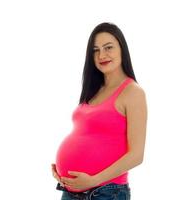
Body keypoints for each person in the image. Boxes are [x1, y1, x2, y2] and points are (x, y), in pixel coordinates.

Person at [51, 22, 147, 200]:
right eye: (95, 50)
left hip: (105, 192)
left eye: (108, 47)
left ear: (122, 49)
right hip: (71, 191)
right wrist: (62, 170)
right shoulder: (94, 90)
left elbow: (136, 155)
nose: (101, 55)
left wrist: (93, 180)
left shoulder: (133, 92)